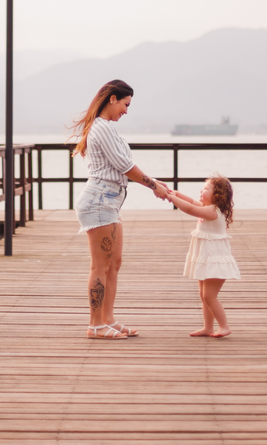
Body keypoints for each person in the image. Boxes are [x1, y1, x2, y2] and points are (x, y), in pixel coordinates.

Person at [70, 79, 169, 340]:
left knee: (114, 263)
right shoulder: (101, 128)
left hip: (109, 202)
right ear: (112, 98)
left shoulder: (107, 128)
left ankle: (107, 319)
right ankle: (95, 325)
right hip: (99, 202)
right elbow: (125, 166)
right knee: (100, 266)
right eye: (126, 104)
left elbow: (123, 165)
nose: (126, 110)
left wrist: (155, 183)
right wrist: (153, 185)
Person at [165, 173, 239, 338]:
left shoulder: (213, 212)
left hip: (215, 261)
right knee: (204, 296)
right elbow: (192, 202)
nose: (201, 190)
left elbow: (190, 209)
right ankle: (207, 328)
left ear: (217, 195)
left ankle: (224, 326)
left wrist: (171, 198)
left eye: (206, 188)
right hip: (206, 259)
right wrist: (177, 194)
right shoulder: (208, 208)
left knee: (209, 296)